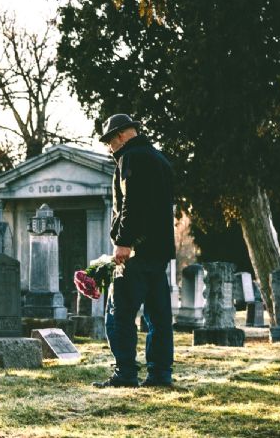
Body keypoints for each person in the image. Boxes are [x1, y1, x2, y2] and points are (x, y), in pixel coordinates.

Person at [93, 114, 176, 388]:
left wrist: (124, 242)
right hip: (160, 250)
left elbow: (132, 203)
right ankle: (160, 375)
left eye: (108, 142)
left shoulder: (131, 158)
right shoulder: (160, 159)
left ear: (118, 136)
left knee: (118, 314)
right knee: (158, 317)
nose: (109, 148)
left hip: (135, 251)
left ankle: (125, 373)